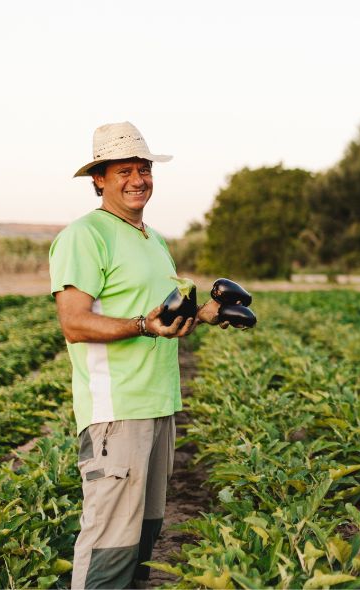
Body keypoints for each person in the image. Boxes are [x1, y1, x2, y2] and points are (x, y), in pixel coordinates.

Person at [50, 121, 226, 588]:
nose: (138, 179)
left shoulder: (155, 239)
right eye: (124, 170)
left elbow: (162, 312)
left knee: (143, 543)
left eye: (144, 168)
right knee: (109, 547)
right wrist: (143, 326)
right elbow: (74, 322)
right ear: (99, 180)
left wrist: (205, 312)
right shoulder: (86, 235)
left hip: (159, 405)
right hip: (116, 412)